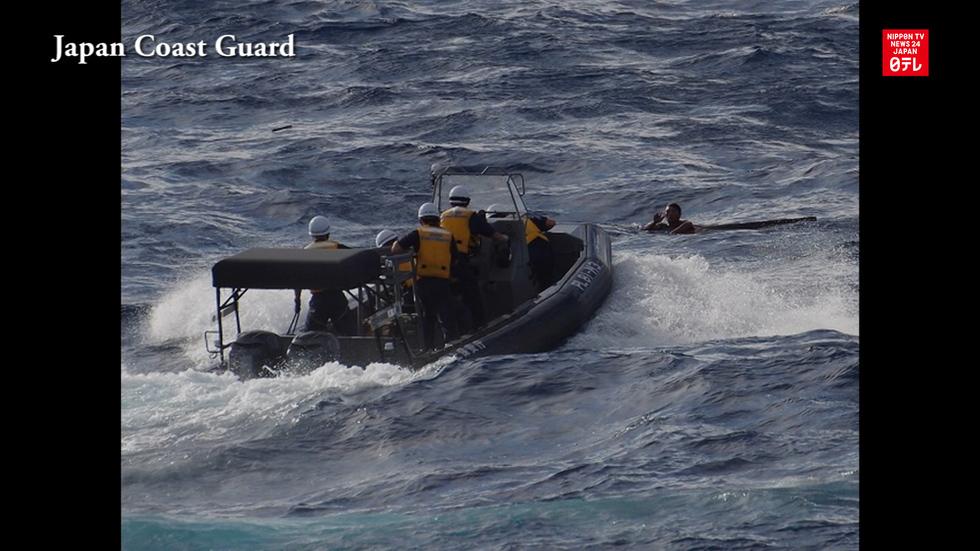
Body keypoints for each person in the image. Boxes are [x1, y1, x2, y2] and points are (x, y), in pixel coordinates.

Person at [391, 203, 460, 351]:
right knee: (446, 315)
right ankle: (451, 346)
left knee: (427, 315)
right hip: (441, 282)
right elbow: (455, 260)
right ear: (437, 219)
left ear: (421, 220)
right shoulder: (448, 235)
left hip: (423, 282)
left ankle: (427, 348)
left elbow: (395, 249)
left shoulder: (418, 234)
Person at [439, 185, 509, 328]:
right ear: (468, 201)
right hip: (459, 259)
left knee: (448, 294)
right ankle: (479, 326)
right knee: (472, 293)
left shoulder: (443, 216)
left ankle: (452, 330)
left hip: (442, 261)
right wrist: (504, 239)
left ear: (451, 201)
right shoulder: (471, 216)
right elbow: (492, 234)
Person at [297, 215, 358, 335]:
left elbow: (297, 280)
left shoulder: (304, 253)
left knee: (309, 336)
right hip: (337, 299)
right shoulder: (338, 248)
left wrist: (297, 300)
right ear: (328, 232)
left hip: (318, 301)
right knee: (350, 334)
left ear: (311, 234)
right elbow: (357, 261)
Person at [488, 204, 557, 290]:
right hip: (544, 245)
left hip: (528, 250)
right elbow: (551, 223)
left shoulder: (496, 226)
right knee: (547, 277)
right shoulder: (526, 219)